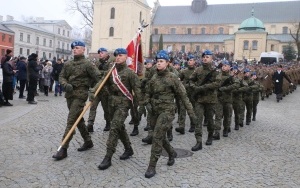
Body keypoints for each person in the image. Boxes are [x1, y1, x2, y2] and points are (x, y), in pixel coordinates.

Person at [144, 51, 196, 178]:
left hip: (167, 111)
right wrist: (146, 103)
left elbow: (184, 97)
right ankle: (171, 153)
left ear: (167, 63)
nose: (159, 63)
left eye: (162, 61)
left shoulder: (172, 77)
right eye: (157, 61)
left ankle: (152, 166)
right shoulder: (154, 77)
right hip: (155, 111)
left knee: (156, 136)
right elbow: (147, 92)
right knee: (161, 136)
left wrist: (192, 115)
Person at [52, 40, 102, 161]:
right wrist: (64, 84)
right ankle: (88, 141)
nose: (75, 49)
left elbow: (99, 78)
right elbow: (61, 76)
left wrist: (93, 91)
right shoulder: (68, 64)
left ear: (84, 49)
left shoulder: (88, 64)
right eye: (73, 48)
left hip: (80, 95)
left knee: (71, 121)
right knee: (78, 120)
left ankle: (63, 148)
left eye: (77, 48)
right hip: (70, 95)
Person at [96, 48, 141, 170]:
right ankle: (128, 149)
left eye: (121, 55)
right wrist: (93, 91)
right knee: (120, 127)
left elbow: (138, 90)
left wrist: (141, 104)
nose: (118, 57)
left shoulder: (130, 73)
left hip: (123, 104)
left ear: (126, 57)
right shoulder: (111, 71)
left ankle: (108, 157)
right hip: (111, 103)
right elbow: (101, 83)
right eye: (116, 55)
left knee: (114, 128)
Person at [189, 50, 221, 150]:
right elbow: (191, 80)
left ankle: (210, 136)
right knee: (198, 120)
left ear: (211, 58)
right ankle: (198, 141)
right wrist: (194, 87)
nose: (205, 58)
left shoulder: (215, 71)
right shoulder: (198, 70)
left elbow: (217, 83)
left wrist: (204, 87)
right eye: (204, 57)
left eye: (207, 57)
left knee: (210, 121)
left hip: (210, 100)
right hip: (199, 99)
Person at [87, 47, 114, 132]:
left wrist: (99, 72)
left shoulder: (111, 62)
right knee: (93, 106)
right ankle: (90, 123)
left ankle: (108, 123)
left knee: (106, 108)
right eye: (99, 53)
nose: (100, 54)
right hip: (96, 88)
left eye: (102, 52)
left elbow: (108, 74)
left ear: (106, 53)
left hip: (106, 90)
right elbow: (93, 73)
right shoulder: (97, 62)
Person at [213, 60, 239, 138]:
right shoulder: (218, 75)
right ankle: (217, 132)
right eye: (223, 65)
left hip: (228, 99)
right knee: (218, 116)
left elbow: (237, 84)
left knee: (227, 116)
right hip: (219, 99)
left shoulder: (231, 77)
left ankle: (226, 129)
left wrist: (226, 88)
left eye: (225, 65)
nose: (223, 67)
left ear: (229, 67)